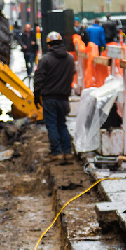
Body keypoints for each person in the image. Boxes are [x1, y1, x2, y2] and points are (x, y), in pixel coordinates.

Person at [34, 32, 76, 162]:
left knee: (52, 125)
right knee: (62, 124)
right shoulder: (70, 58)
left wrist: (36, 96)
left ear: (48, 44)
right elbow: (72, 74)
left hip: (49, 98)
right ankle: (68, 152)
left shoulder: (45, 60)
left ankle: (57, 152)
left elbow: (38, 80)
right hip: (64, 98)